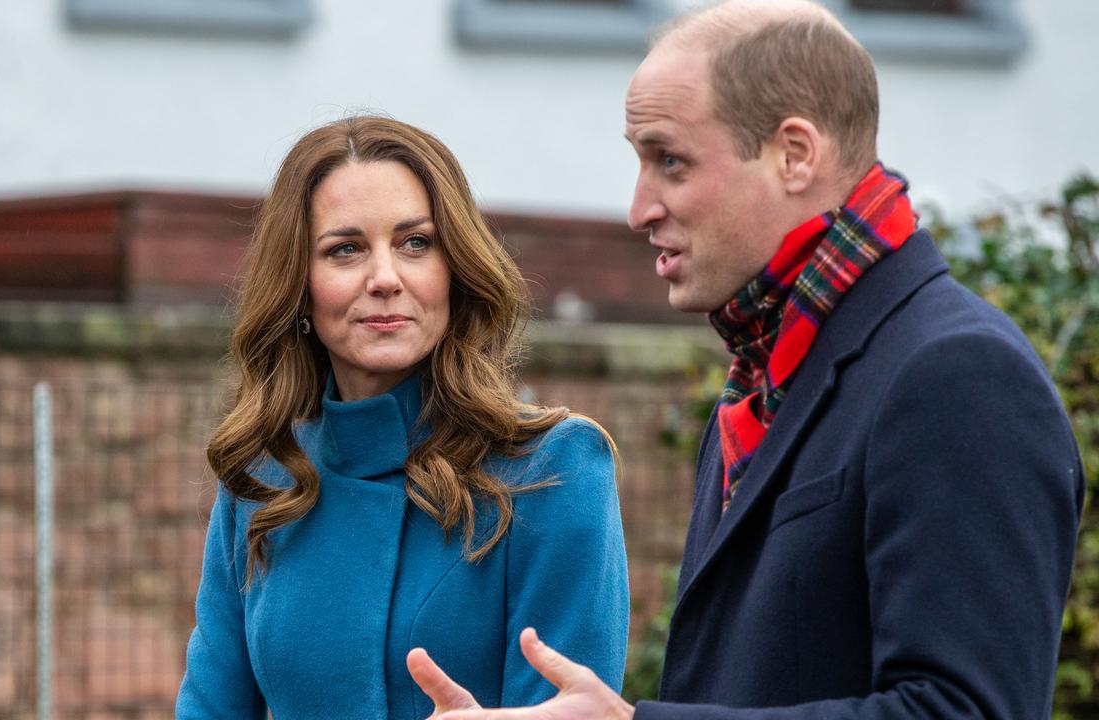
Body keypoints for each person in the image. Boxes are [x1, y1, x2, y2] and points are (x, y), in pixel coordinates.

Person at [407, 1, 1085, 718]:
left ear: (795, 154)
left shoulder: (959, 376)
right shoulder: (765, 376)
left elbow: (966, 711)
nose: (638, 208)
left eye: (669, 160)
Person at [174, 115, 629, 719]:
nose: (385, 278)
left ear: (455, 271)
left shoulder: (554, 467)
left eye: (416, 243)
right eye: (345, 249)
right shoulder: (262, 481)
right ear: (299, 287)